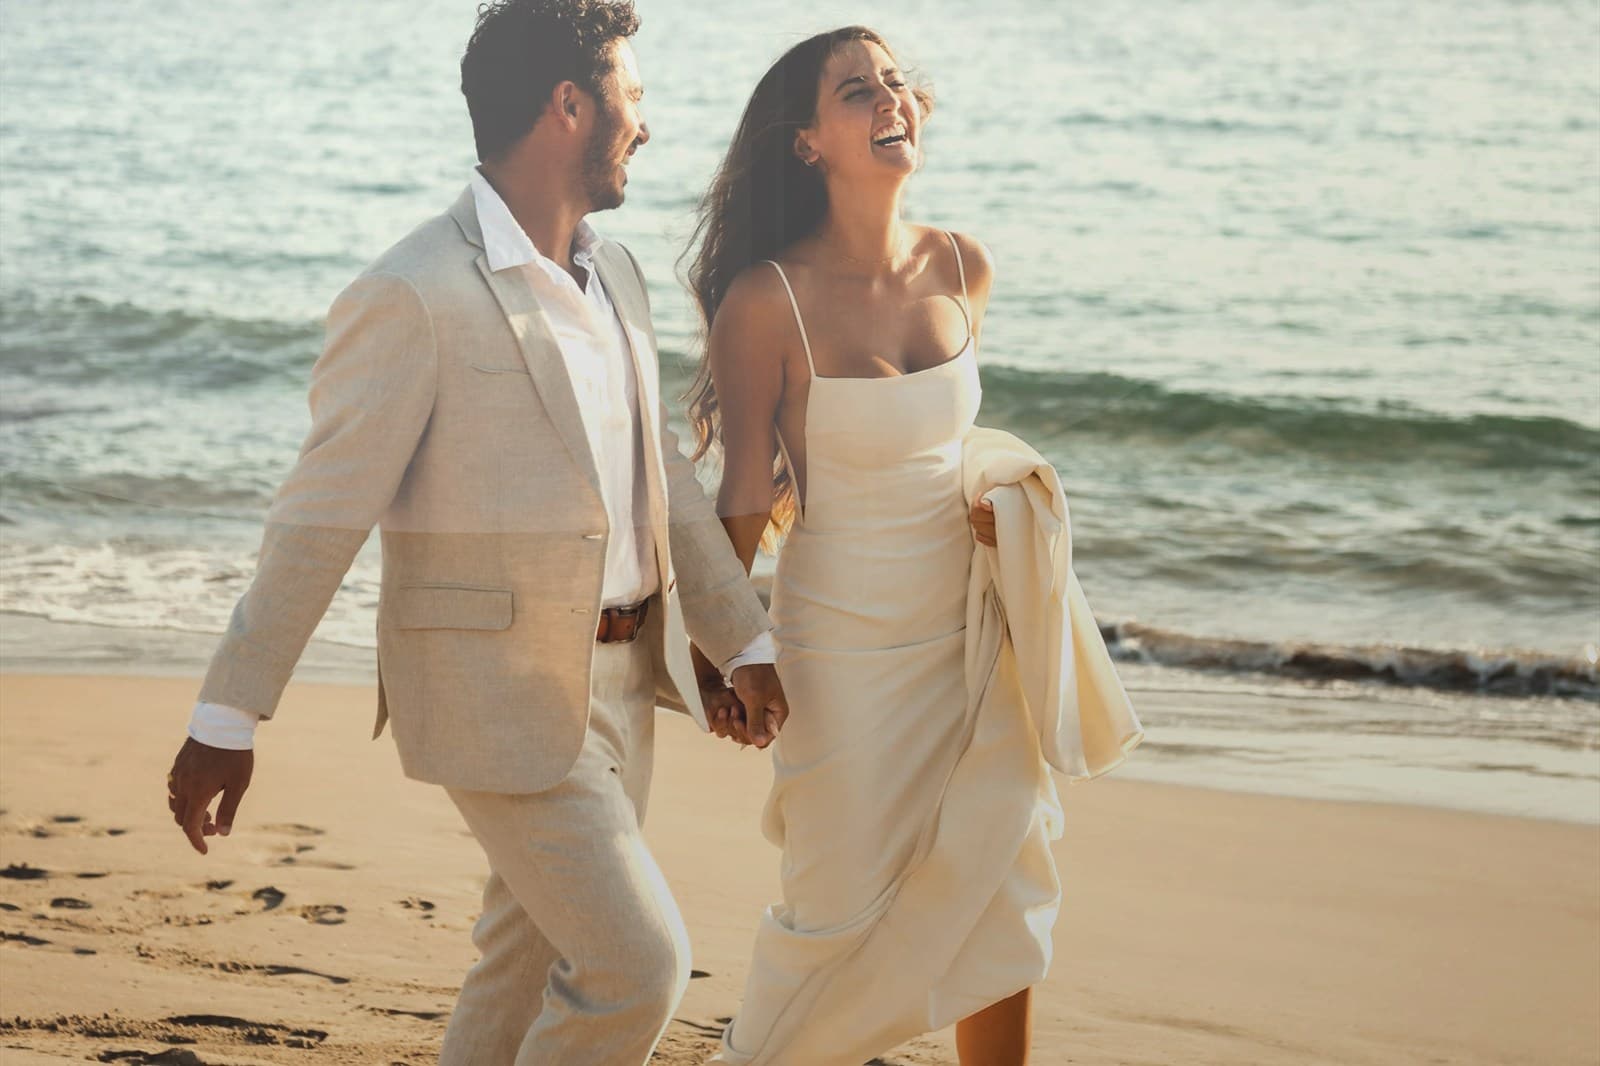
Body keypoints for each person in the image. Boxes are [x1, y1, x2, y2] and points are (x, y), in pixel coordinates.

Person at [161, 3, 789, 1063]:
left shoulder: (618, 276)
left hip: (622, 687)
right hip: (493, 690)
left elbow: (669, 487)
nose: (648, 124)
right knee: (639, 966)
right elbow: (319, 515)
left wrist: (746, 637)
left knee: (523, 963)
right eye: (634, 99)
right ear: (568, 105)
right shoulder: (412, 292)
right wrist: (229, 711)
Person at [682, 26, 1139, 1066]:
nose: (893, 99)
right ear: (806, 142)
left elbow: (946, 442)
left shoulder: (962, 264)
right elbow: (746, 492)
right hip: (838, 654)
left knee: (1002, 887)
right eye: (857, 91)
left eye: (896, 81)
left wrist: (994, 496)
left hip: (971, 637)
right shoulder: (766, 300)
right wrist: (721, 649)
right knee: (833, 910)